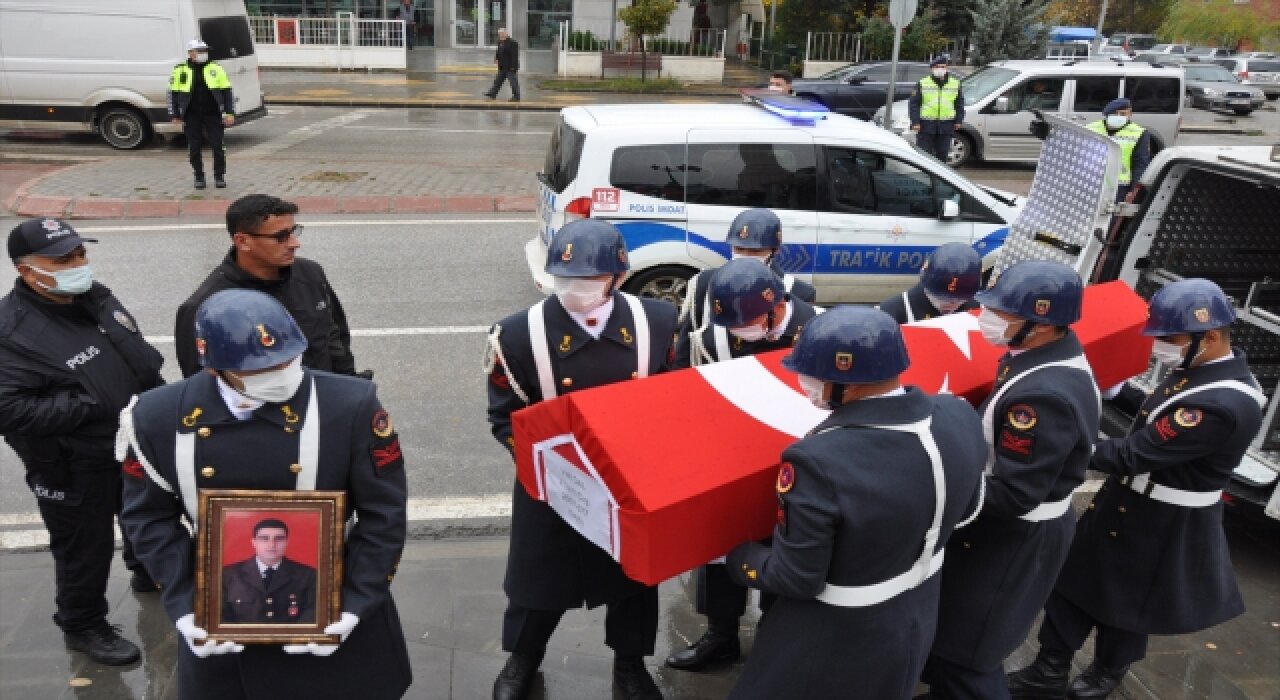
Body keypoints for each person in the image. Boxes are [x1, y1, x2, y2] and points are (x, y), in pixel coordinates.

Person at [119, 289, 411, 699]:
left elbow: (384, 513)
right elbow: (148, 518)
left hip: (332, 608)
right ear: (215, 366)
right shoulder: (156, 417)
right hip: (223, 619)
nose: (282, 373)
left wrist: (356, 602)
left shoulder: (350, 405)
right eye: (261, 370)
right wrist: (187, 606)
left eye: (288, 360)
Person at [1008, 279, 1264, 700]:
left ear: (1211, 336)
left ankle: (1107, 672)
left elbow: (1133, 453)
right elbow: (1159, 413)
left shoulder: (1224, 404)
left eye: (1171, 338)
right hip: (1125, 500)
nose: (1162, 345)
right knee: (1073, 582)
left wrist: (1063, 441)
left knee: (1127, 606)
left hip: (1163, 520)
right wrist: (1119, 393)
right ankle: (1049, 668)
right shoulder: (1202, 371)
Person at [723, 306, 987, 698]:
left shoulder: (818, 461)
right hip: (915, 612)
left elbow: (796, 577)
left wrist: (740, 557)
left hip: (834, 637)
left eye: (813, 374)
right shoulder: (956, 413)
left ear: (848, 383)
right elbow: (966, 510)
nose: (804, 382)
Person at [485, 219, 678, 700]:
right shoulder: (515, 334)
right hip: (554, 482)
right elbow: (505, 418)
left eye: (588, 281)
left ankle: (630, 664)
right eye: (564, 280)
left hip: (630, 483)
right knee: (537, 580)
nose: (575, 291)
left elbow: (676, 406)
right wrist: (556, 469)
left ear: (616, 277)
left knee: (634, 579)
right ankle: (523, 658)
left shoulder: (657, 322)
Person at [922, 260, 1102, 699]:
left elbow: (1015, 492)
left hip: (1012, 537)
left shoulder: (1043, 395)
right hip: (1009, 528)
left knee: (970, 652)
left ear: (1039, 325)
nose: (987, 319)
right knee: (954, 641)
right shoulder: (1040, 357)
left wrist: (936, 494)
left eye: (1002, 314)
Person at [0, 218, 165, 666]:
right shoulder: (12, 332)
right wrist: (89, 402)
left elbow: (133, 353)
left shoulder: (94, 295)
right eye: (63, 259)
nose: (78, 264)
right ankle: (82, 624)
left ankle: (146, 572)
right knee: (83, 547)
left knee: (142, 515)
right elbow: (10, 410)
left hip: (131, 443)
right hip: (72, 463)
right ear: (28, 271)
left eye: (79, 254)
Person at [664, 258, 820, 672]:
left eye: (748, 322)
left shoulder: (821, 330)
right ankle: (721, 634)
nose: (739, 333)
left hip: (801, 467)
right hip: (728, 464)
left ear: (776, 305)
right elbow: (678, 392)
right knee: (719, 549)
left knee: (786, 553)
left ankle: (776, 635)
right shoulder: (705, 340)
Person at [174, 194, 361, 380]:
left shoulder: (310, 273)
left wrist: (350, 389)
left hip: (320, 401)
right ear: (243, 242)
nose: (295, 243)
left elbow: (335, 339)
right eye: (281, 237)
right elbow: (201, 383)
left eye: (293, 232)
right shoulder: (203, 307)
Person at [680, 209, 816, 345]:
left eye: (756, 251)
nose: (745, 255)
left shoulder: (798, 291)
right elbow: (688, 339)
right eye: (739, 249)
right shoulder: (704, 281)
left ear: (776, 250)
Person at [222, 519, 317, 624]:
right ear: (254, 542)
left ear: (286, 542)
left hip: (293, 640)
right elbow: (222, 619)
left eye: (279, 539)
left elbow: (311, 617)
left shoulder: (308, 576)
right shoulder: (228, 575)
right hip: (239, 640)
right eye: (264, 538)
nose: (272, 544)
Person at [169, 39, 235, 190]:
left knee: (218, 146)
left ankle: (219, 176)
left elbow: (227, 92)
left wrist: (230, 113)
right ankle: (199, 176)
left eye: (205, 51)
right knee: (194, 147)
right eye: (199, 51)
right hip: (191, 115)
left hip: (213, 114)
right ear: (190, 53)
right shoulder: (180, 70)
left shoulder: (216, 68)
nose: (203, 54)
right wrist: (174, 113)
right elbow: (172, 93)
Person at [878, 242, 982, 324]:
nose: (952, 304)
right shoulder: (892, 312)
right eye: (942, 297)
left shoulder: (978, 310)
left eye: (960, 299)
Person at [1086, 98, 1151, 202]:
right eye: (1116, 114)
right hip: (1092, 182)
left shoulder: (1139, 133)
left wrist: (1133, 190)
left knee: (1111, 216)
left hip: (1119, 186)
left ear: (1130, 114)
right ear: (1107, 115)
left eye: (1124, 114)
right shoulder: (1091, 128)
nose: (1120, 117)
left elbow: (1140, 164)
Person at [909, 56, 965, 163]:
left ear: (947, 68)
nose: (940, 69)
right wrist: (915, 122)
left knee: (942, 155)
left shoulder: (955, 83)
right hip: (926, 125)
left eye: (943, 67)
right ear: (932, 69)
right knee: (924, 154)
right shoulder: (923, 83)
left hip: (946, 125)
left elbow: (959, 103)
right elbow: (913, 104)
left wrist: (959, 120)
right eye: (937, 67)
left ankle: (938, 178)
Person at [484, 28, 521, 102]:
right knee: (497, 81)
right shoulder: (500, 42)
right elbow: (499, 51)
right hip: (502, 66)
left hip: (510, 67)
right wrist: (496, 58)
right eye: (500, 34)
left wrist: (513, 67)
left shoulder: (513, 43)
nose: (501, 35)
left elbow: (515, 56)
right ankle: (492, 94)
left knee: (513, 82)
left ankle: (516, 97)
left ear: (506, 34)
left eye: (502, 34)